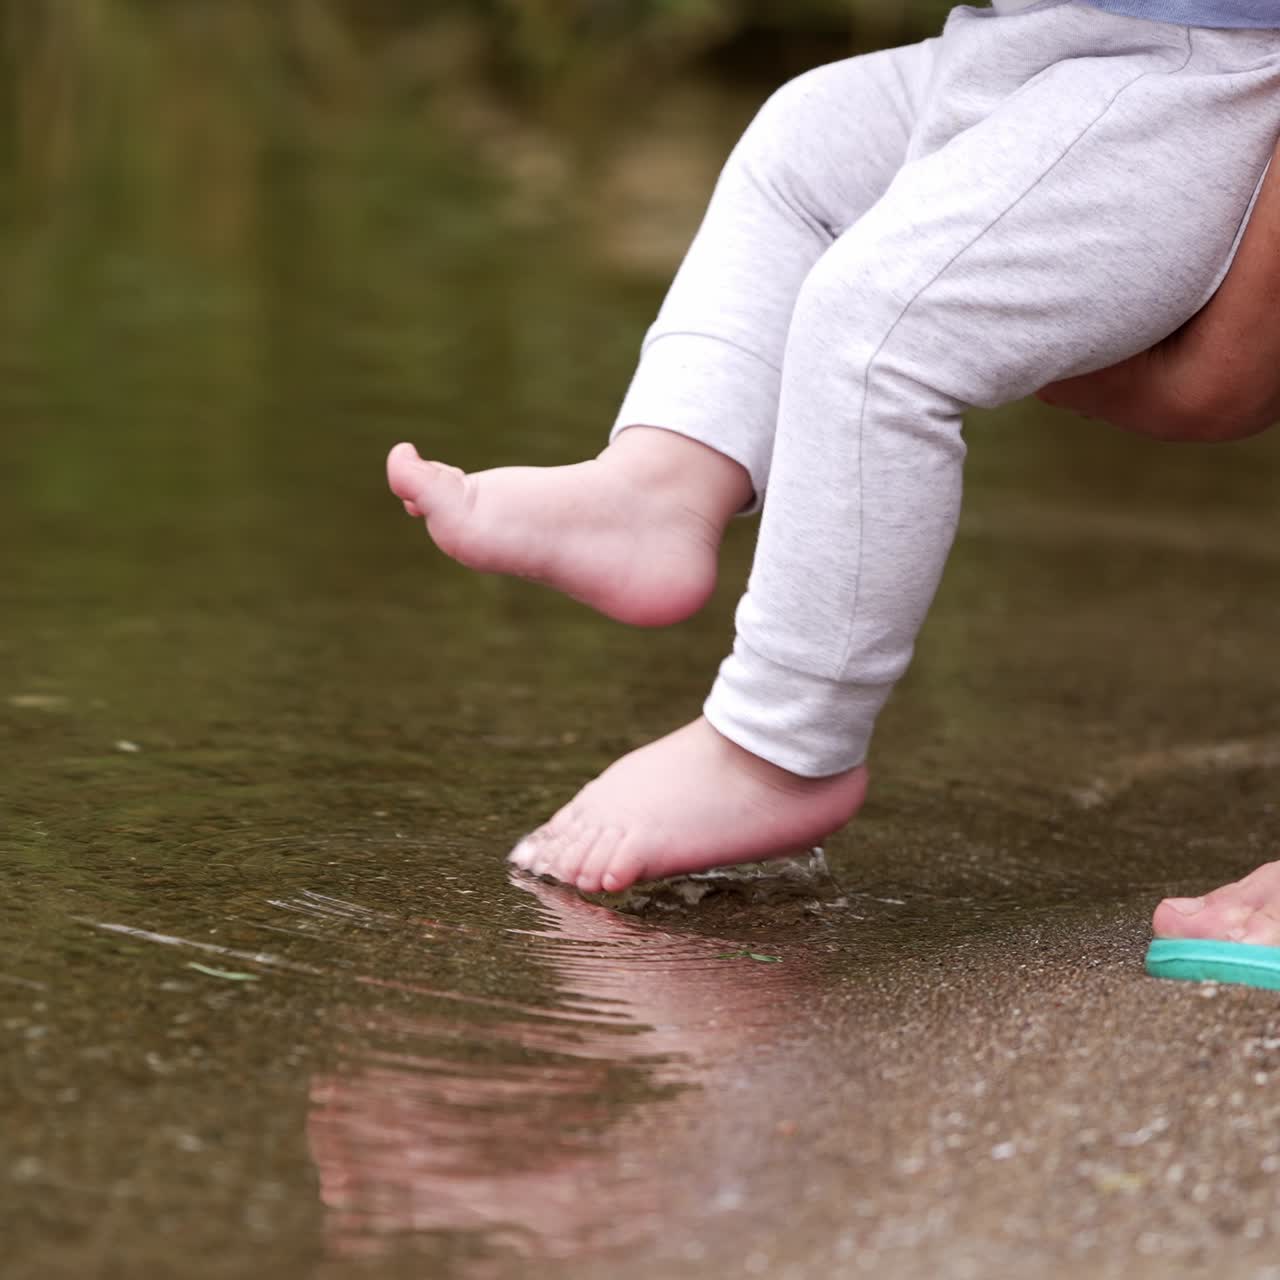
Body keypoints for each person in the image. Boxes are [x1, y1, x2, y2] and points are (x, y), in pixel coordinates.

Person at [388, 0, 1280, 940]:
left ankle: (782, 744)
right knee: (801, 148)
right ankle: (662, 484)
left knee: (877, 328)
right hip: (1039, 40)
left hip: (1192, 82)